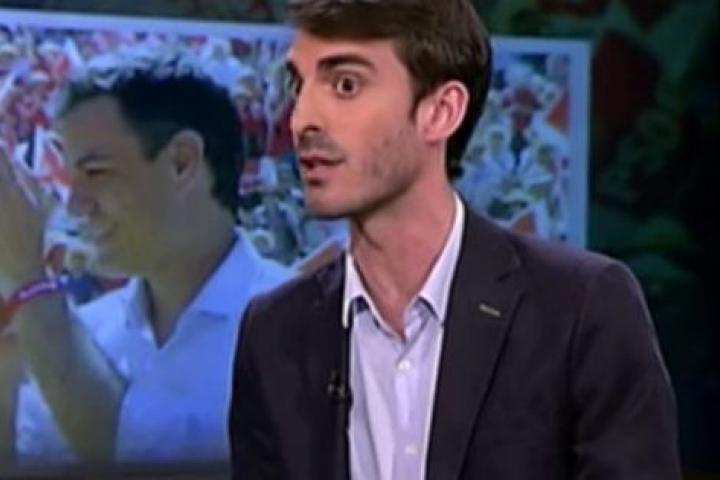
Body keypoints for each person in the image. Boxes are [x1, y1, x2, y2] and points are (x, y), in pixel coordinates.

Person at [228, 1, 681, 479]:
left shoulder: (582, 308)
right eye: (297, 86)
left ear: (441, 112)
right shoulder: (273, 333)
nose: (301, 120)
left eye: (346, 85)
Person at [0, 54, 289, 465]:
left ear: (182, 162)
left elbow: (148, 455)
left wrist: (33, 289)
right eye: (69, 178)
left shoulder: (311, 332)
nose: (75, 205)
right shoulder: (87, 330)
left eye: (96, 172)